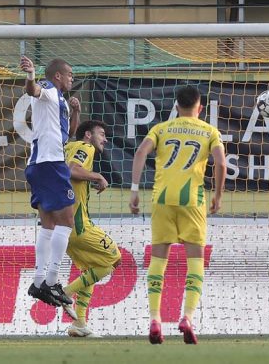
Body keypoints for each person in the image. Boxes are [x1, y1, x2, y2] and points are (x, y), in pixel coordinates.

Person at [129, 85, 226, 345]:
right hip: (192, 201)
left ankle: (155, 319)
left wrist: (135, 190)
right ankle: (187, 317)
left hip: (162, 199)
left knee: (158, 260)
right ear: (200, 107)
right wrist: (217, 195)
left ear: (175, 106)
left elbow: (140, 153)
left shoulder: (161, 129)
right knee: (195, 261)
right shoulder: (209, 131)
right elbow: (220, 162)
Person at [20, 56, 81, 308]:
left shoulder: (62, 101)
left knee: (48, 225)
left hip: (40, 165)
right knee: (67, 220)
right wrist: (32, 75)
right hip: (50, 163)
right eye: (69, 74)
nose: (71, 79)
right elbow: (32, 90)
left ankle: (38, 282)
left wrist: (75, 110)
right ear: (57, 76)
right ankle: (52, 280)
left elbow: (70, 134)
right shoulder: (48, 89)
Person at [60, 120, 121, 337]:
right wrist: (97, 176)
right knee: (114, 259)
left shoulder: (68, 147)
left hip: (61, 227)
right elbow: (71, 170)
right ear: (88, 135)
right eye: (101, 134)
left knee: (91, 270)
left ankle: (79, 324)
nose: (104, 139)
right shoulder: (85, 147)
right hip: (78, 225)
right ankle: (64, 292)